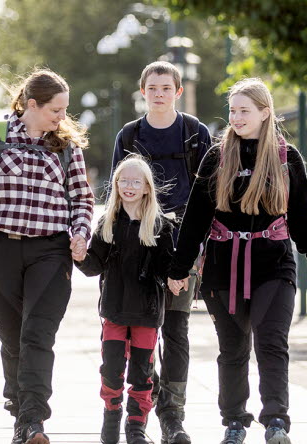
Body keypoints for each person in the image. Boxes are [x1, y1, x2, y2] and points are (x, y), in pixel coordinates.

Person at [168, 78, 307, 444]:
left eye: (244, 111)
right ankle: (235, 421)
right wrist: (180, 269)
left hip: (274, 263)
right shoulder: (217, 156)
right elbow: (195, 218)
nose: (236, 117)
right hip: (223, 266)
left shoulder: (287, 158)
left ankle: (275, 421)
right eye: (232, 111)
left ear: (264, 113)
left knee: (271, 343)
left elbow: (302, 215)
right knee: (233, 349)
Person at [0, 69, 94, 444]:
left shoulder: (66, 145)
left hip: (50, 251)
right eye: (55, 110)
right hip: (0, 248)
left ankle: (33, 420)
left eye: (64, 110)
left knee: (38, 335)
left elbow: (82, 198)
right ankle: (19, 409)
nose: (62, 117)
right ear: (31, 105)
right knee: (12, 336)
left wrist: (81, 233)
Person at [110, 61, 212, 444]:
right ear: (142, 91)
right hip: (138, 247)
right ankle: (139, 413)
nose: (158, 94)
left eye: (165, 88)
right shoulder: (130, 135)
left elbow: (209, 193)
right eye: (151, 87)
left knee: (177, 329)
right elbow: (117, 191)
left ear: (177, 92)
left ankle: (173, 415)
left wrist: (201, 248)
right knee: (140, 329)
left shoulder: (194, 133)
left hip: (183, 247)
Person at [76, 156, 177, 444]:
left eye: (136, 181)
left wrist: (177, 276)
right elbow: (94, 264)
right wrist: (80, 255)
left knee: (143, 372)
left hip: (147, 312)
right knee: (111, 369)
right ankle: (111, 415)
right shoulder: (108, 224)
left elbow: (166, 266)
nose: (129, 186)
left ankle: (136, 427)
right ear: (116, 184)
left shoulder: (159, 226)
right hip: (114, 311)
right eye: (123, 180)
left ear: (147, 188)